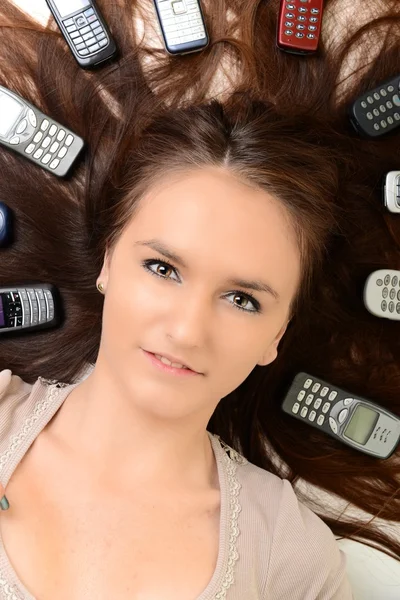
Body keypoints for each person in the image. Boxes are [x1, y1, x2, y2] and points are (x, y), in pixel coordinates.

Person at [0, 0, 398, 598]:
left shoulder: (291, 560)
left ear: (278, 336)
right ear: (107, 261)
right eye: (163, 267)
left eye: (242, 300)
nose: (187, 329)